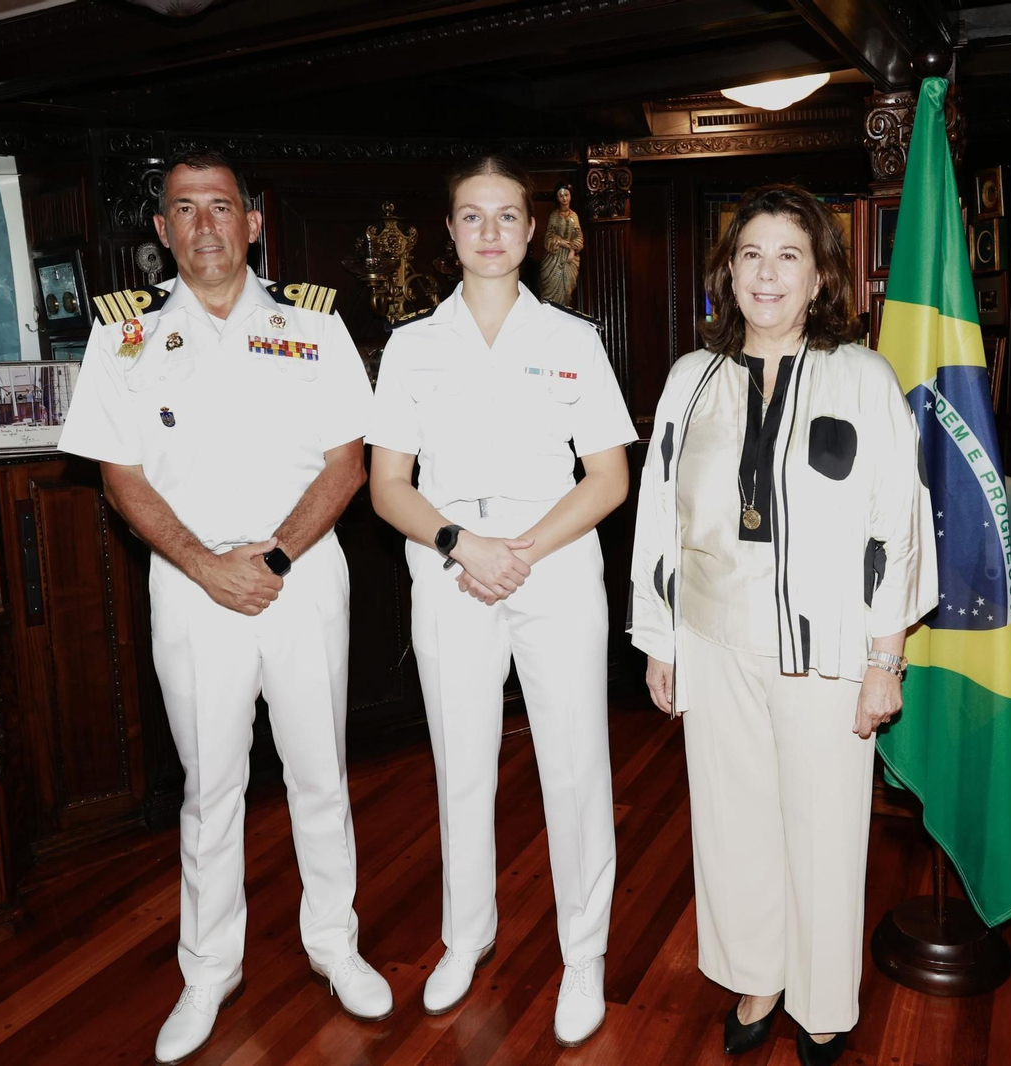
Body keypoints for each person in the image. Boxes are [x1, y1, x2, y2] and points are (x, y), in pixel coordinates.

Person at [57, 148, 388, 1066]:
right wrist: (208, 566)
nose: (205, 225)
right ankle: (209, 971)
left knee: (320, 772)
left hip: (302, 572)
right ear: (161, 234)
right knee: (210, 788)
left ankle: (335, 944)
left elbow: (347, 463)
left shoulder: (311, 326)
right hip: (192, 582)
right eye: (184, 210)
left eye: (222, 207)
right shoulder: (121, 336)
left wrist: (271, 556)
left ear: (253, 223)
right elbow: (118, 475)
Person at [628, 184, 937, 1066]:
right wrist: (661, 636)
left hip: (827, 647)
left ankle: (823, 999)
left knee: (826, 827)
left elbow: (898, 522)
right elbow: (660, 512)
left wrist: (888, 658)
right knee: (733, 821)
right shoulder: (692, 379)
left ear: (819, 277)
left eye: (788, 257)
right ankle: (758, 973)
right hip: (715, 639)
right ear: (729, 273)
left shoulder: (862, 376)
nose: (768, 274)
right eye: (751, 255)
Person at [368, 154, 633, 1048]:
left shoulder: (573, 341)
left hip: (552, 562)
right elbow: (387, 486)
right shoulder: (413, 345)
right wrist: (462, 545)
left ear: (532, 232)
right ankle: (466, 936)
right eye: (471, 217)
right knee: (462, 764)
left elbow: (607, 478)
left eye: (506, 216)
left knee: (574, 765)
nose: (489, 232)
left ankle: (584, 956)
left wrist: (519, 550)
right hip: (448, 565)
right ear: (449, 233)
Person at [538, 181, 583, 306]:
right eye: (561, 195)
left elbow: (578, 236)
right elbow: (548, 238)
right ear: (557, 198)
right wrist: (560, 242)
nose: (564, 198)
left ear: (570, 196)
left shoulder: (574, 216)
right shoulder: (554, 216)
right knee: (550, 293)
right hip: (554, 258)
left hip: (569, 260)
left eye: (566, 195)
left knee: (566, 292)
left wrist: (573, 249)